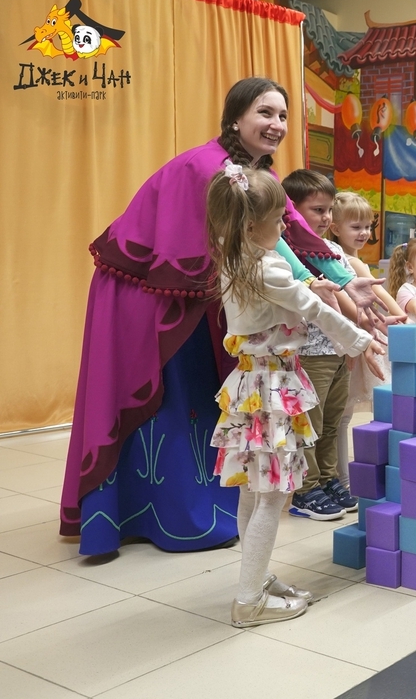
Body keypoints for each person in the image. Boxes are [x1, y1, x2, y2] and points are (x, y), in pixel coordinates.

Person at [61, 77, 384, 555]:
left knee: (201, 401)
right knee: (166, 400)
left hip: (193, 295)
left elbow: (291, 233)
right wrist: (334, 299)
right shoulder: (207, 168)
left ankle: (204, 508)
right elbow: (265, 247)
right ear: (234, 118)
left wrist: (338, 277)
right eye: (265, 113)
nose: (276, 124)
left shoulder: (256, 175)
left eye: (282, 115)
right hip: (148, 294)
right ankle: (165, 515)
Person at [205, 164, 374, 626]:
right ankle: (248, 601)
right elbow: (314, 308)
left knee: (254, 491)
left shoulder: (234, 259)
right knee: (273, 496)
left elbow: (302, 295)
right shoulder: (269, 266)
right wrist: (360, 340)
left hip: (251, 385)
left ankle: (255, 580)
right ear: (249, 226)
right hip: (272, 388)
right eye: (280, 220)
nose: (285, 228)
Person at [282, 171, 378, 519]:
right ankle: (305, 489)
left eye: (328, 211)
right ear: (291, 212)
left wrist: (353, 343)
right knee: (310, 422)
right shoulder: (288, 251)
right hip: (308, 351)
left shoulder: (333, 250)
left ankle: (327, 478)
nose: (325, 218)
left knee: (331, 421)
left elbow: (351, 299)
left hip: (337, 350)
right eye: (317, 210)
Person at [329, 192, 404, 484]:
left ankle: (345, 476)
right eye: (355, 227)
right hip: (356, 340)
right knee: (343, 414)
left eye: (367, 227)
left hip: (356, 336)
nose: (364, 233)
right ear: (335, 228)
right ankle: (344, 478)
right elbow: (383, 297)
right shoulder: (350, 262)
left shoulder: (349, 259)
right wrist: (405, 320)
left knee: (344, 414)